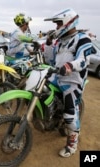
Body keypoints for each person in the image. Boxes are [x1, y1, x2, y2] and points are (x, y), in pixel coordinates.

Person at [44, 8, 92, 158]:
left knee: (70, 114)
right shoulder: (60, 41)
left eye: (58, 24)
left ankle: (72, 144)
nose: (56, 27)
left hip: (73, 81)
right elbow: (50, 60)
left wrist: (70, 66)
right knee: (42, 91)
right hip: (58, 77)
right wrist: (48, 44)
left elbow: (83, 60)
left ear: (67, 22)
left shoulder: (83, 38)